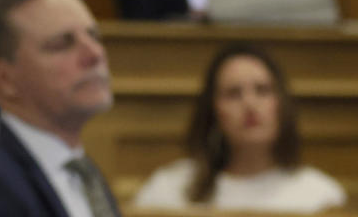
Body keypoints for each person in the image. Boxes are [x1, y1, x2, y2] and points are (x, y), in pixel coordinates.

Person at [0, 0, 119, 217]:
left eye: (94, 36)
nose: (95, 54)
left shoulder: (83, 171)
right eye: (62, 44)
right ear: (5, 79)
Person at [134, 43, 345, 212]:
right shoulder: (170, 189)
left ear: (281, 104)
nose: (250, 105)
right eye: (234, 93)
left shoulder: (321, 196)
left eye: (262, 90)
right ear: (213, 110)